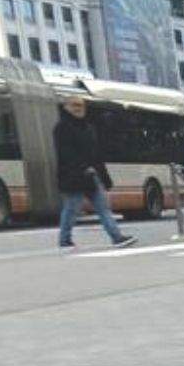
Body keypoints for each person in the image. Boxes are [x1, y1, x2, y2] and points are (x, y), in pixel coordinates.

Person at [54, 96, 136, 250]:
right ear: (66, 107)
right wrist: (83, 167)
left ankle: (117, 237)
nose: (79, 108)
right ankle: (64, 240)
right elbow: (65, 153)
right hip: (73, 176)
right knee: (72, 209)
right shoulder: (61, 127)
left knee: (103, 208)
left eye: (81, 105)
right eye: (75, 105)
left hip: (91, 175)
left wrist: (105, 177)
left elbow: (96, 154)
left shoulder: (88, 127)